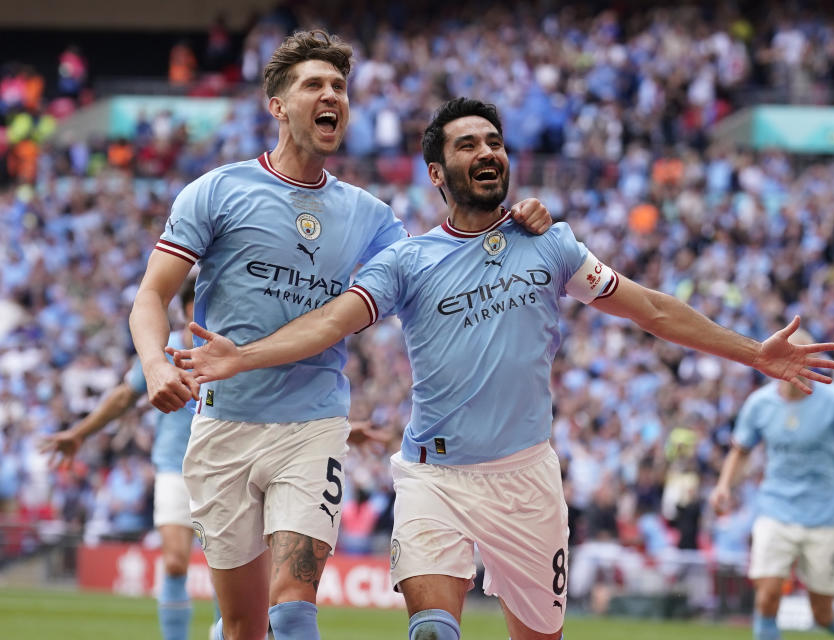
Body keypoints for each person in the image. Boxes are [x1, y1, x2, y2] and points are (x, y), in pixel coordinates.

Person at [168, 97, 834, 640]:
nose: (487, 152)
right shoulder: (407, 261)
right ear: (437, 173)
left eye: (494, 142)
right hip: (434, 477)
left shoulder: (549, 242)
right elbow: (333, 321)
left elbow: (653, 311)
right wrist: (243, 356)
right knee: (433, 632)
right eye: (468, 144)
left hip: (526, 480)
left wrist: (753, 351)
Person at [128, 32, 551, 640]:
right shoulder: (217, 191)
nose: (332, 96)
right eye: (314, 85)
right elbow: (150, 295)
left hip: (312, 425)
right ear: (277, 105)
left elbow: (434, 272)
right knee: (244, 626)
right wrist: (155, 364)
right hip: (222, 427)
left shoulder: (371, 215)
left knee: (294, 606)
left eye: (340, 87)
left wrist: (512, 224)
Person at [42, 278, 200, 640]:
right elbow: (124, 396)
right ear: (190, 307)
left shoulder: (230, 351)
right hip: (174, 467)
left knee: (231, 566)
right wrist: (80, 433)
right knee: (175, 562)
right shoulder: (164, 350)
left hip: (226, 469)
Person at [709, 330, 834, 640]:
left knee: (822, 612)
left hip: (823, 516)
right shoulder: (759, 404)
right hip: (774, 509)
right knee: (767, 596)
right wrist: (724, 484)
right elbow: (740, 450)